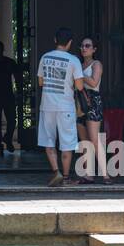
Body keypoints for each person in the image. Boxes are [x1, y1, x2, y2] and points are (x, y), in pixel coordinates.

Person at [36, 26, 85, 186]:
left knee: (49, 141)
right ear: (70, 43)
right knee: (67, 143)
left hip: (47, 105)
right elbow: (79, 86)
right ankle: (65, 177)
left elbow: (41, 82)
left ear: (55, 40)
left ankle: (55, 171)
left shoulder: (45, 57)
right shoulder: (74, 60)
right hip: (66, 107)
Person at [73, 35, 110, 184]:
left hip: (93, 101)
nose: (84, 48)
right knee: (84, 141)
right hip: (79, 103)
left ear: (94, 49)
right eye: (82, 46)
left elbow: (94, 83)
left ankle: (106, 174)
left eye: (87, 46)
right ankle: (89, 174)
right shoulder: (79, 65)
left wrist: (78, 74)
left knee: (94, 139)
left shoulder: (96, 64)